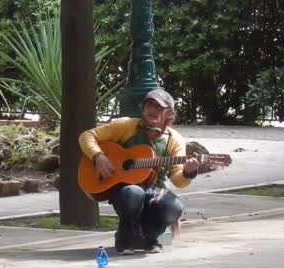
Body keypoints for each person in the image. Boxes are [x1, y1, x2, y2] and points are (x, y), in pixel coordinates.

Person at [78, 89, 199, 255]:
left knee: (173, 206)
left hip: (154, 189)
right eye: (149, 105)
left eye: (159, 107)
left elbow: (178, 181)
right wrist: (98, 157)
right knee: (133, 192)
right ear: (143, 109)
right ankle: (126, 236)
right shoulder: (126, 126)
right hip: (124, 189)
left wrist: (188, 173)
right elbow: (86, 136)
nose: (153, 110)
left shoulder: (174, 139)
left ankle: (152, 237)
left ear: (169, 114)